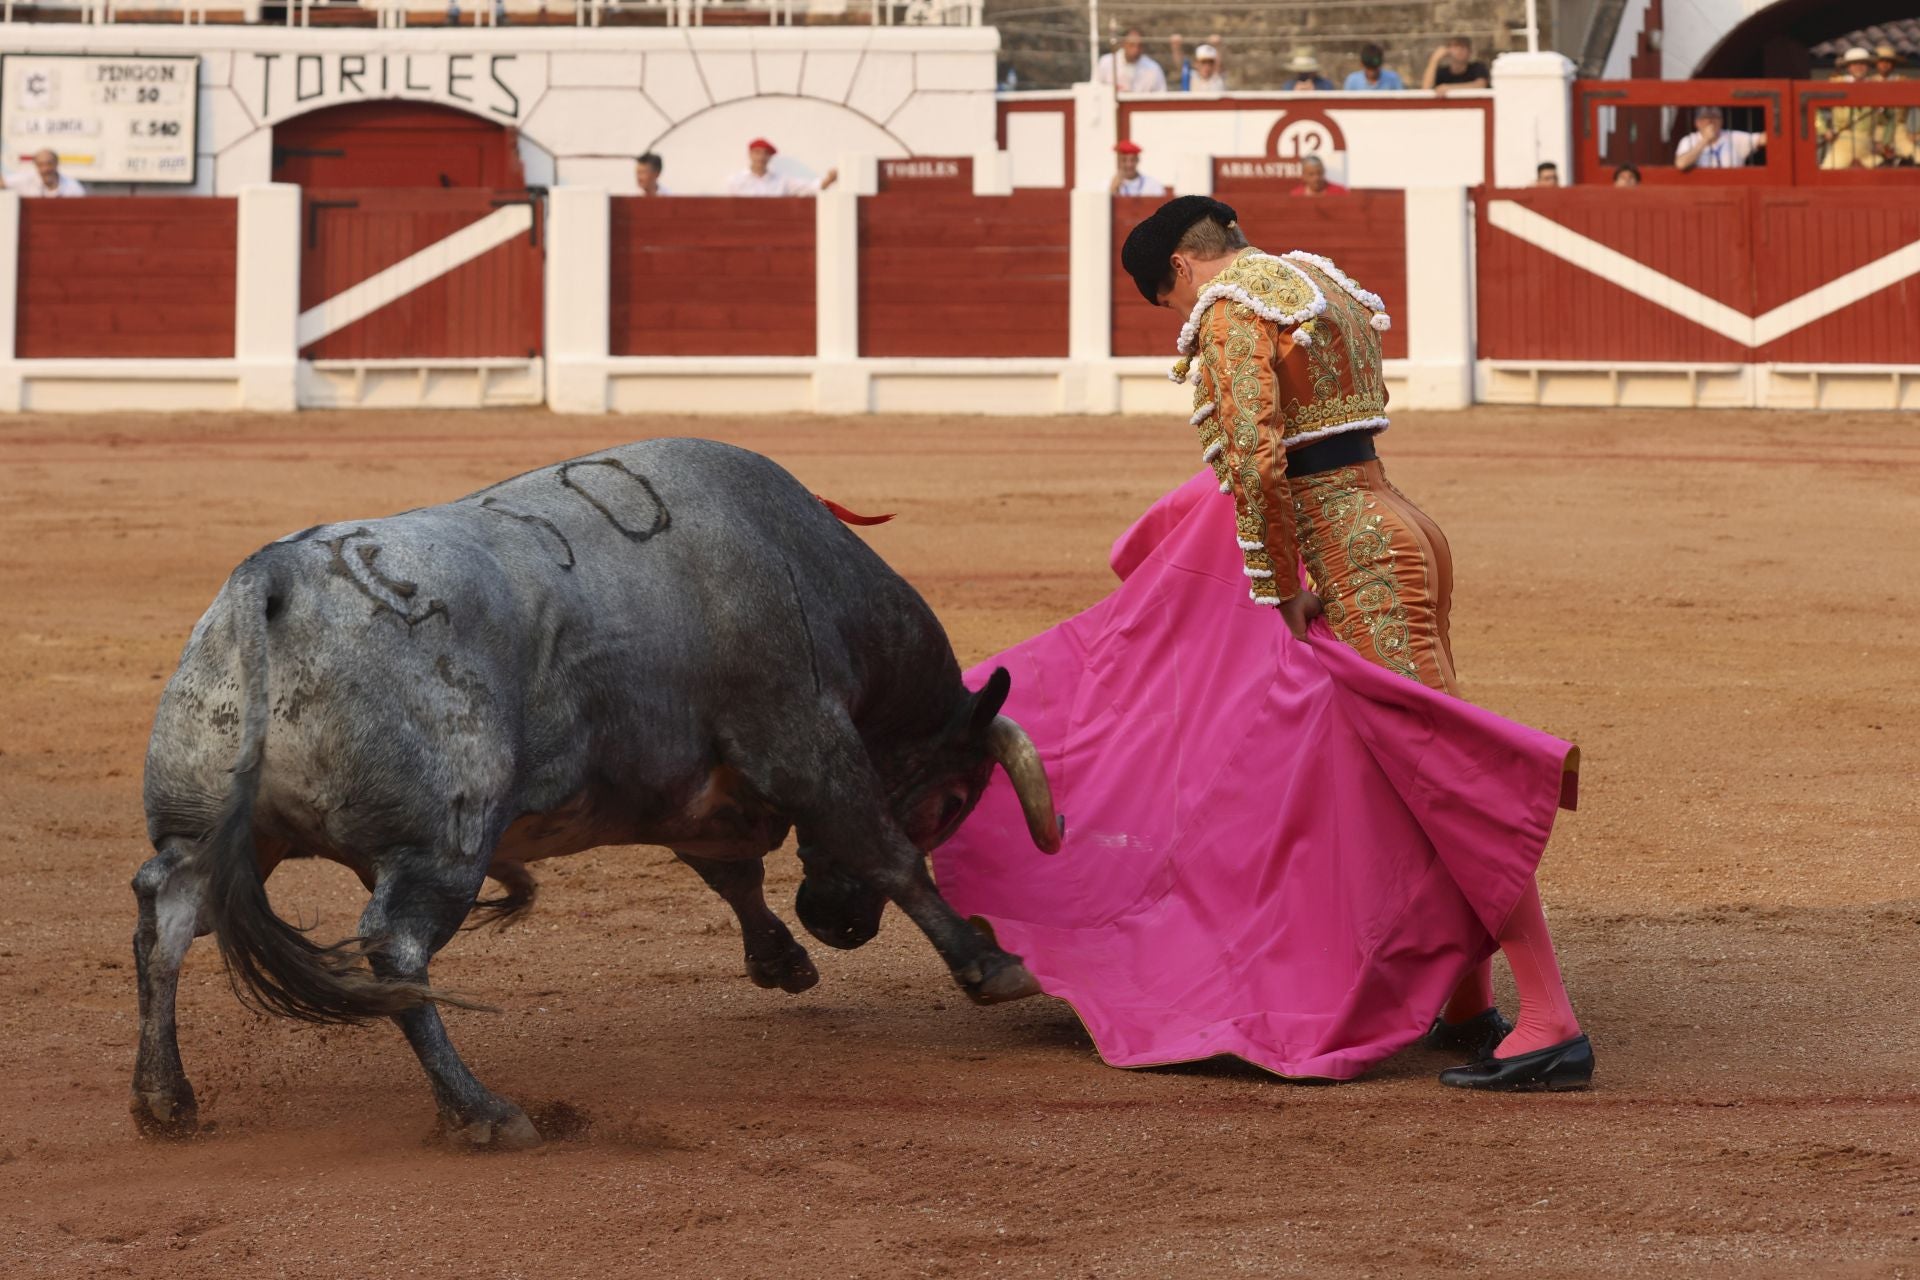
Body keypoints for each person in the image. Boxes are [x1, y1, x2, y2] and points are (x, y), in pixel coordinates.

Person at [935, 196, 1592, 1092]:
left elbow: (1252, 457)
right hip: (1398, 524)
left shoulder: (1232, 305)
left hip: (1349, 552)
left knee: (1443, 773)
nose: (1181, 319)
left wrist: (1277, 585)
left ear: (1178, 271)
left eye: (1167, 304)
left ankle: (1552, 1018)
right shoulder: (1320, 282)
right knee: (1406, 768)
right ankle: (1471, 1003)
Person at [725, 138, 837, 196]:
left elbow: (810, 187)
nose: (761, 157)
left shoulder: (782, 180)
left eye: (765, 153)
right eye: (757, 152)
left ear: (770, 157)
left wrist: (829, 179)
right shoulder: (735, 180)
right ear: (750, 154)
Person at [1675, 105, 1766, 170]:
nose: (1711, 121)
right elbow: (1681, 163)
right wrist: (1705, 140)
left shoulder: (1733, 137)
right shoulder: (1689, 140)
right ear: (1697, 122)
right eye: (1706, 117)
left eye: (1715, 117)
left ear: (1722, 120)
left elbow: (1763, 139)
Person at [1096, 28, 1168, 93]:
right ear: (1124, 44)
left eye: (1139, 46)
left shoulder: (1153, 69)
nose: (1136, 50)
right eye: (1131, 45)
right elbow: (1096, 90)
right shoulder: (1106, 63)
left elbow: (1161, 94)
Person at [5, 148, 85, 198]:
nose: (45, 169)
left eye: (49, 164)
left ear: (56, 163)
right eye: (41, 165)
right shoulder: (26, 180)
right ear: (36, 166)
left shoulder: (72, 187)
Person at [1424, 37, 1489, 94]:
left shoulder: (1477, 67)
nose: (1459, 50)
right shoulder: (1442, 72)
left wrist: (1449, 88)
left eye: (1463, 47)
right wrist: (1434, 60)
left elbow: (1481, 85)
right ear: (1448, 50)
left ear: (1470, 52)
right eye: (1455, 46)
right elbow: (1426, 89)